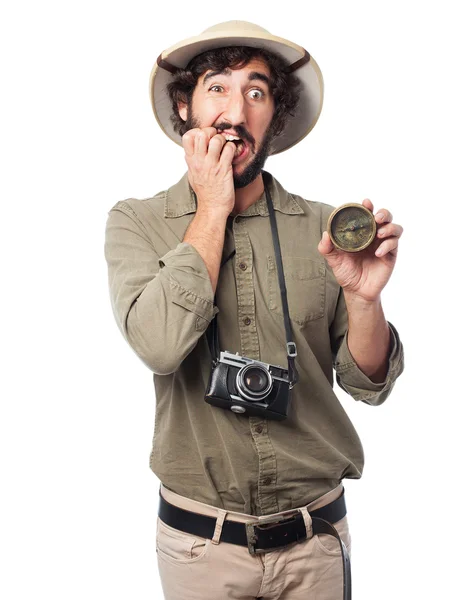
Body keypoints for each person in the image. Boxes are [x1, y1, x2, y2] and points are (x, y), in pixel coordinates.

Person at [104, 20, 404, 600]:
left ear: (275, 117)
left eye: (257, 91)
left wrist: (367, 299)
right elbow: (159, 345)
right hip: (199, 549)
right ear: (185, 106)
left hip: (315, 541)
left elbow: (367, 384)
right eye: (217, 87)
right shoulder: (135, 221)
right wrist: (213, 203)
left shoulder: (326, 227)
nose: (235, 111)